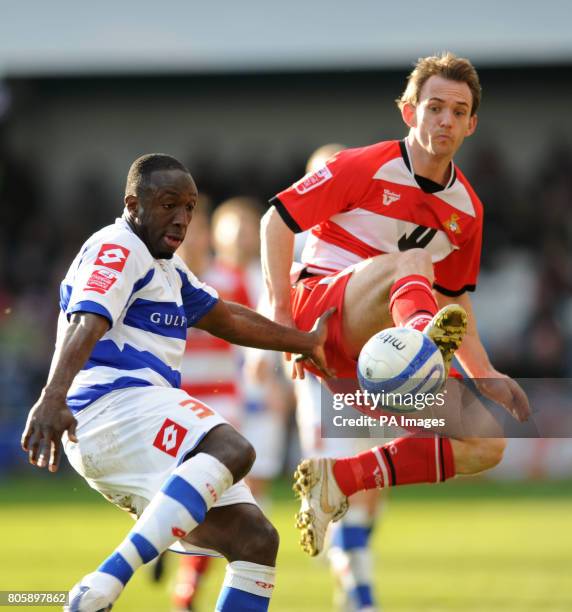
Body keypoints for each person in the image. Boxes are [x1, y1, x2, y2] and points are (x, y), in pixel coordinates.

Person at [20, 153, 334, 612]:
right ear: (133, 203)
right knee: (233, 449)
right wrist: (51, 397)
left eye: (189, 207)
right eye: (169, 205)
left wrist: (304, 342)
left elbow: (224, 317)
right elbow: (87, 321)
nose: (182, 219)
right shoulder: (119, 248)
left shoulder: (165, 265)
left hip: (132, 424)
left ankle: (113, 581)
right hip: (110, 407)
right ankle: (106, 582)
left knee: (256, 539)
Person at [260, 52, 530, 558]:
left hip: (378, 355)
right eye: (434, 108)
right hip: (323, 316)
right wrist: (280, 322)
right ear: (409, 112)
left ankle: (337, 480)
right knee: (412, 265)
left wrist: (486, 373)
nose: (445, 119)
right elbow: (274, 221)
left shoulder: (467, 211)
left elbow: (456, 303)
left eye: (457, 111)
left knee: (486, 443)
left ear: (471, 124)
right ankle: (423, 346)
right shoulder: (362, 165)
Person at [294, 144, 389, 612]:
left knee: (373, 491)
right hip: (321, 384)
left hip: (375, 384)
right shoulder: (296, 248)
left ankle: (344, 560)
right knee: (345, 489)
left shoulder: (373, 235)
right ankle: (361, 596)